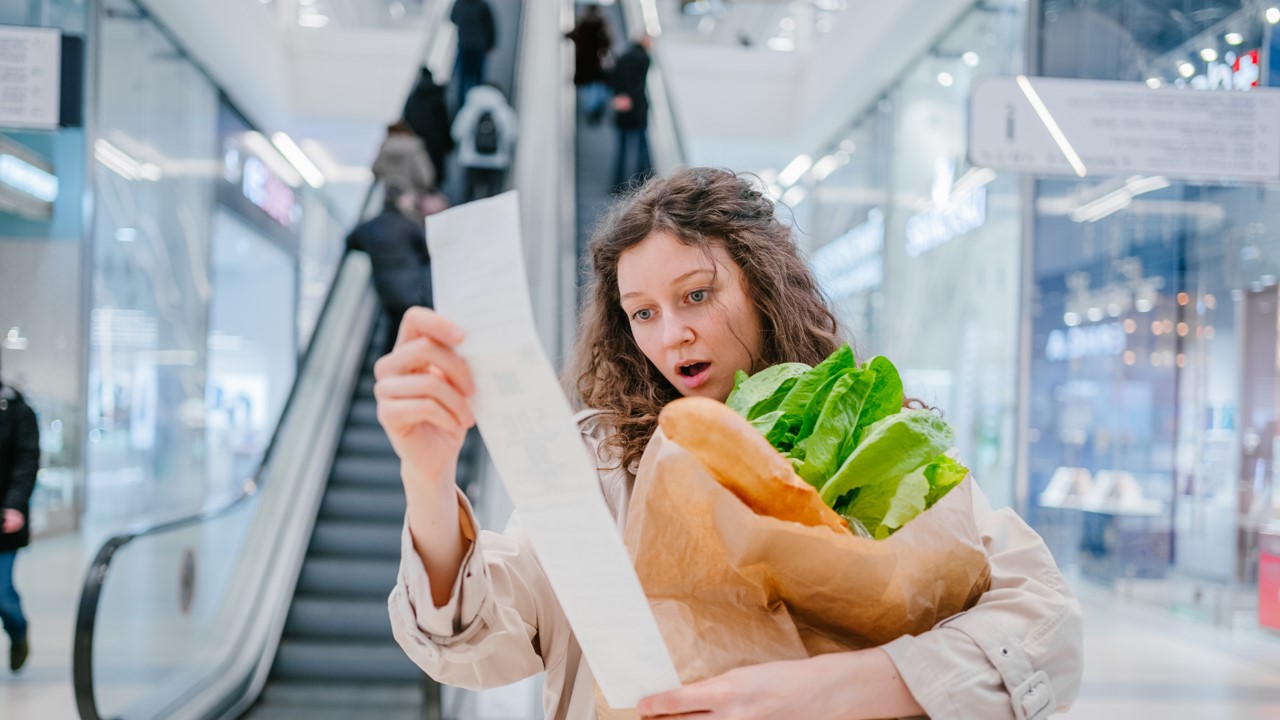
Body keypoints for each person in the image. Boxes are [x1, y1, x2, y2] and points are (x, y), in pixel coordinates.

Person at [380, 168, 1083, 720]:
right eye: (643, 314)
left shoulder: (874, 438)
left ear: (764, 284)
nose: (671, 335)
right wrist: (427, 479)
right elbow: (479, 639)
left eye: (695, 296)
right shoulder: (598, 464)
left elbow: (1047, 629)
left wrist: (845, 686)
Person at [345, 186, 432, 356]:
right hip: (409, 289)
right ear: (400, 200)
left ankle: (389, 364)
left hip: (385, 291)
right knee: (410, 326)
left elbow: (350, 242)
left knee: (394, 326)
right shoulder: (408, 225)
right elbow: (427, 252)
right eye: (409, 198)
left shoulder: (371, 226)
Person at [0, 352, 38, 674]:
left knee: (0, 592)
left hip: (3, 521)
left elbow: (27, 463)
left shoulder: (17, 411)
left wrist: (14, 505)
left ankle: (18, 631)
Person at [451, 84, 518, 202]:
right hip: (497, 163)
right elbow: (512, 134)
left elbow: (457, 132)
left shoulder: (470, 108)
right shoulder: (504, 110)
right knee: (493, 198)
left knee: (468, 197)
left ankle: (467, 218)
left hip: (471, 161)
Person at [608, 34, 653, 193]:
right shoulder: (644, 58)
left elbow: (614, 79)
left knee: (621, 148)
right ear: (644, 42)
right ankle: (645, 181)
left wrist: (620, 97)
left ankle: (617, 185)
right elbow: (639, 84)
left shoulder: (623, 57)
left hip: (622, 110)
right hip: (638, 109)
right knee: (642, 146)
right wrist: (631, 98)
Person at [402, 67, 456, 187]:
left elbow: (406, 122)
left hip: (417, 144)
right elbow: (443, 122)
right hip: (435, 144)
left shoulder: (413, 99)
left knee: (418, 176)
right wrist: (449, 143)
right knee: (433, 177)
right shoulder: (436, 97)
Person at [565, 4, 614, 125]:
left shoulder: (582, 24)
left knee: (589, 91)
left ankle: (591, 111)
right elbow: (608, 43)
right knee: (597, 89)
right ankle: (596, 111)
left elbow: (572, 35)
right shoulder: (601, 24)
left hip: (584, 66)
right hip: (597, 66)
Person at [450, 0, 497, 111]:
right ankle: (477, 107)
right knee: (478, 80)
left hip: (464, 46)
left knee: (462, 80)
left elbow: (452, 18)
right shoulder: (482, 4)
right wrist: (490, 44)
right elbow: (490, 26)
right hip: (479, 48)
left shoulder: (459, 3)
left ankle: (461, 108)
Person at [371, 120, 437, 197]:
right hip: (413, 193)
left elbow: (376, 169)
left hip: (391, 192)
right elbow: (425, 174)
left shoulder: (386, 147)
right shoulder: (415, 147)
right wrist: (428, 187)